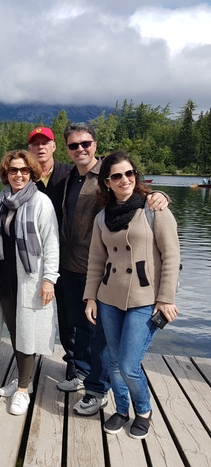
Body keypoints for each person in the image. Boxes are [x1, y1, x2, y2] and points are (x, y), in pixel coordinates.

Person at [57, 123, 169, 417]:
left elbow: (168, 252)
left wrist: (160, 195)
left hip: (118, 281)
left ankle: (97, 390)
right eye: (73, 145)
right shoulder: (70, 177)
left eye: (85, 143)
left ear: (95, 144)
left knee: (104, 343)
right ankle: (83, 374)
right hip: (76, 268)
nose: (80, 149)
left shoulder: (115, 182)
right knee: (78, 327)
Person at [84, 152, 179, 439]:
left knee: (128, 363)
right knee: (112, 362)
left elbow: (172, 255)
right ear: (107, 183)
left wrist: (166, 298)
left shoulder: (154, 210)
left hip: (145, 299)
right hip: (108, 298)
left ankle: (144, 411)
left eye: (129, 174)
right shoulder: (102, 217)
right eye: (116, 176)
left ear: (135, 177)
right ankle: (121, 409)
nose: (124, 180)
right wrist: (90, 297)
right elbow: (95, 261)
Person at [0, 150, 60, 416]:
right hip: (3, 276)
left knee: (27, 331)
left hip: (30, 277)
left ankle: (22, 390)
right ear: (5, 173)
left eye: (24, 170)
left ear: (32, 173)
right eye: (13, 170)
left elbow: (52, 242)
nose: (18, 175)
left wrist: (50, 279)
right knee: (16, 333)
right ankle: (22, 377)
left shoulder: (40, 202)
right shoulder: (1, 202)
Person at [27, 127, 74, 379]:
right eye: (35, 144)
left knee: (69, 315)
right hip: (33, 258)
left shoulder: (71, 173)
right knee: (33, 310)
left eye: (45, 143)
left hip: (67, 256)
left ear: (55, 146)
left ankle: (74, 363)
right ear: (29, 150)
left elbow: (117, 180)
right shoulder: (25, 176)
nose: (40, 148)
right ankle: (28, 360)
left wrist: (156, 193)